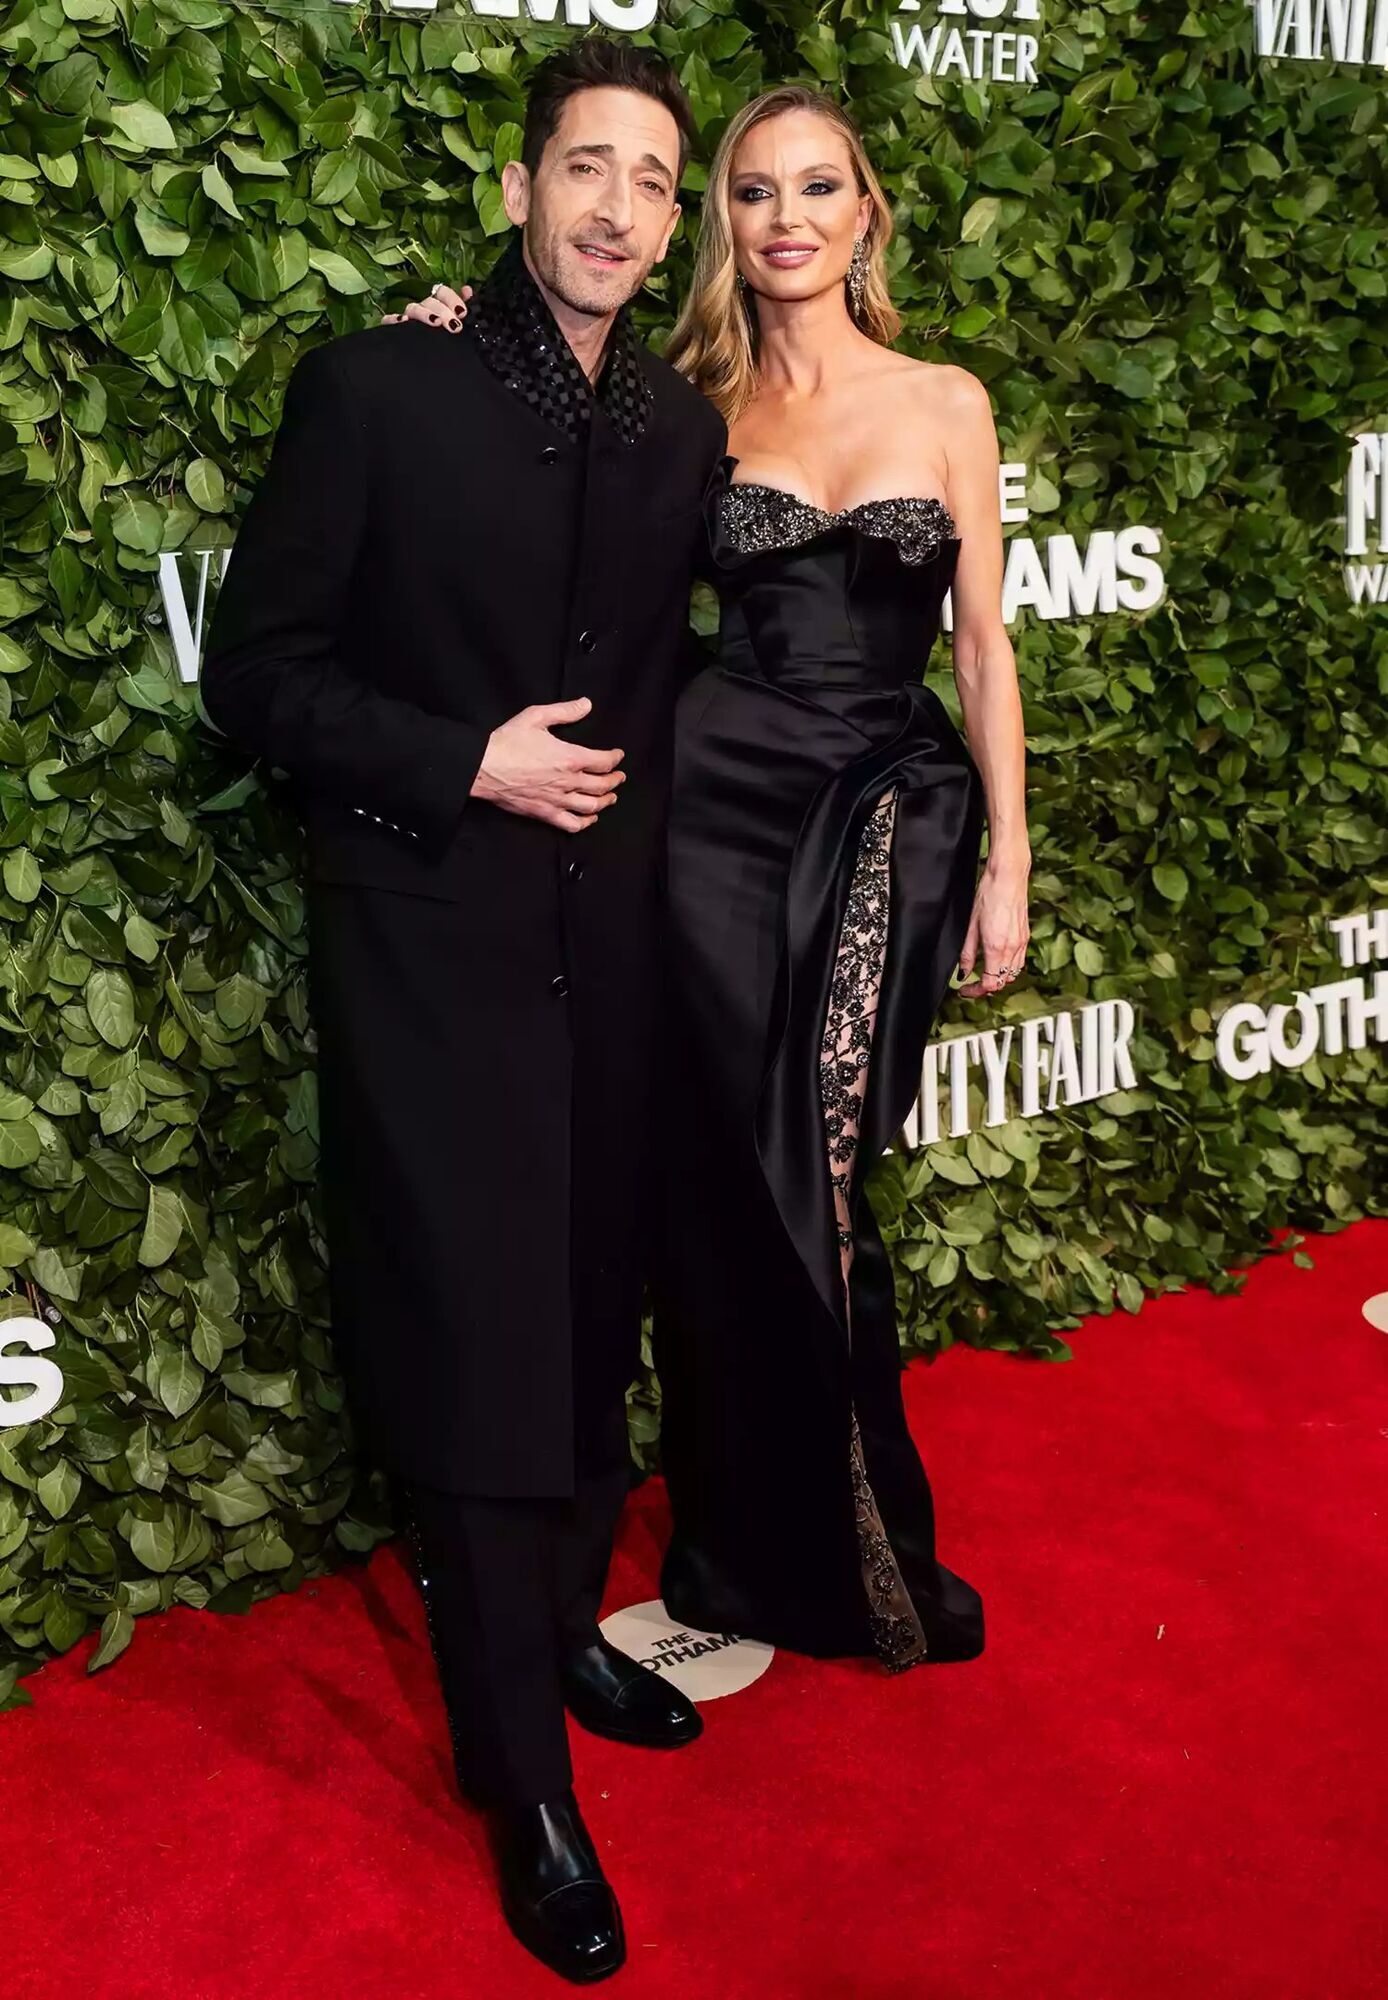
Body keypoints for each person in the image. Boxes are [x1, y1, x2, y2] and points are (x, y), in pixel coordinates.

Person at [199, 40, 727, 1987]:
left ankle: (559, 1629)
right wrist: (465, 761)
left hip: (618, 974)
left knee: (591, 1324)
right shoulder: (376, 388)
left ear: (674, 219)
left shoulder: (676, 429)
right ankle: (522, 1783)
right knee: (481, 1349)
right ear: (516, 192)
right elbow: (253, 677)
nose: (614, 205)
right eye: (582, 166)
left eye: (651, 179)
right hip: (429, 961)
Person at [404, 84, 1030, 1674]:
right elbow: (542, 468)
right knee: (713, 1182)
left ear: (868, 212)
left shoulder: (946, 400)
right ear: (723, 228)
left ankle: (861, 1547)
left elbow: (980, 641)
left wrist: (1013, 855)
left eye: (818, 187)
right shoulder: (688, 400)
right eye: (752, 192)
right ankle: (742, 1547)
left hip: (884, 799)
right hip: (706, 815)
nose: (788, 217)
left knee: (818, 1171)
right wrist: (451, 333)